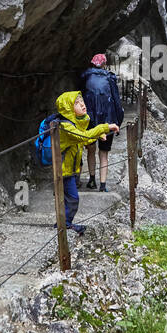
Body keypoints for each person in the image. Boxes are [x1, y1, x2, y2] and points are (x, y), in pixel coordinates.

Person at [55, 90, 119, 235]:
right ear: (69, 109)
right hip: (63, 170)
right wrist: (105, 127)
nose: (82, 105)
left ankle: (63, 224)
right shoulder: (66, 126)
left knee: (68, 199)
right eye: (77, 103)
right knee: (72, 199)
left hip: (71, 169)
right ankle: (64, 225)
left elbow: (83, 139)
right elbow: (83, 136)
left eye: (82, 101)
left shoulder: (72, 124)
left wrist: (97, 135)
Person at [80, 53, 124, 193]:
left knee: (91, 150)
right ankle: (103, 185)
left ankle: (92, 180)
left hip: (90, 120)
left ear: (92, 63)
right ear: (104, 64)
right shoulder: (110, 78)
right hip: (108, 119)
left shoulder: (85, 77)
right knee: (104, 153)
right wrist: (118, 121)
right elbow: (116, 101)